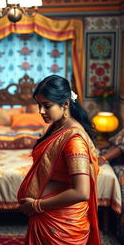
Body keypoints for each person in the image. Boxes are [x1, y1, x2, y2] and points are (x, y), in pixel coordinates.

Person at [17, 75, 101, 244]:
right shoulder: (57, 127)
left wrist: (36, 205)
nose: (40, 111)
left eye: (47, 106)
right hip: (49, 216)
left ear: (65, 104)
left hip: (62, 223)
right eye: (39, 105)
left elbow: (81, 192)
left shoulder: (74, 141)